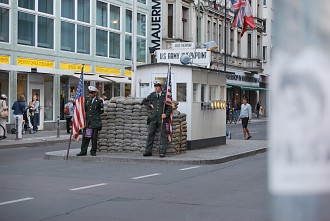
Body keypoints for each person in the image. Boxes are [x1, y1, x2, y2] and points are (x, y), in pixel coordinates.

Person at [142, 81, 172, 158]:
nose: (156, 88)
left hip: (162, 119)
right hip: (153, 118)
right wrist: (150, 105)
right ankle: (148, 151)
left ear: (160, 87)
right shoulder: (152, 95)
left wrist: (166, 114)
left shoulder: (165, 96)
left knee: (163, 136)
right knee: (150, 135)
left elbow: (170, 106)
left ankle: (162, 152)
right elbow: (144, 101)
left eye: (157, 86)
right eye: (155, 86)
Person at [77, 86, 104, 157]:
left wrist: (95, 116)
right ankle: (83, 151)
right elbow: (85, 109)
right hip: (88, 123)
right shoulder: (87, 100)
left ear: (95, 93)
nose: (90, 94)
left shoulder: (99, 101)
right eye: (89, 93)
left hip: (95, 122)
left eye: (91, 93)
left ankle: (93, 151)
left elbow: (101, 111)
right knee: (86, 137)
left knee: (94, 138)